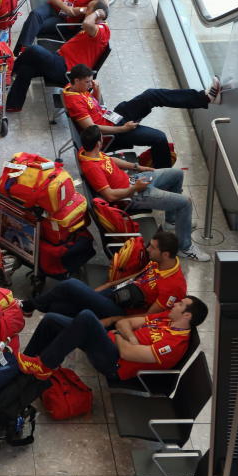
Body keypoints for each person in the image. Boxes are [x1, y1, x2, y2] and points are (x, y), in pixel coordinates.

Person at [77, 125, 210, 262]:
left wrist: (138, 167)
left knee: (177, 174)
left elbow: (110, 160)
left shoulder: (88, 151)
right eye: (101, 137)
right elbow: (109, 195)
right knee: (185, 203)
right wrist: (135, 188)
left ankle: (172, 221)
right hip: (134, 196)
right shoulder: (92, 168)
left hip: (134, 180)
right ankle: (185, 248)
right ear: (99, 143)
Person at [63, 63, 222, 168]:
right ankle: (165, 178)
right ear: (77, 80)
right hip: (112, 133)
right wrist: (124, 129)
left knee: (151, 95)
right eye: (88, 82)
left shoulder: (74, 88)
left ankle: (204, 98)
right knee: (159, 138)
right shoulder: (74, 102)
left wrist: (96, 92)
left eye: (91, 81)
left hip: (113, 117)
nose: (90, 85)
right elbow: (93, 128)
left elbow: (94, 108)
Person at [18, 296, 208, 382]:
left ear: (187, 316)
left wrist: (120, 337)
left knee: (86, 316)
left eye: (181, 305)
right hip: (109, 345)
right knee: (51, 319)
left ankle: (44, 365)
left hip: (115, 364)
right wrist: (130, 337)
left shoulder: (174, 345)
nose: (175, 304)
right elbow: (124, 323)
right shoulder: (166, 317)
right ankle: (26, 363)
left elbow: (126, 353)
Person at [20, 230, 187, 323]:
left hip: (122, 310)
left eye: (153, 248)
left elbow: (148, 316)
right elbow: (135, 277)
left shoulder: (173, 285)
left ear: (165, 254)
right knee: (60, 308)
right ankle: (34, 310)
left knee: (71, 285)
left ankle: (28, 306)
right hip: (116, 293)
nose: (148, 249)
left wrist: (115, 319)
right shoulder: (157, 262)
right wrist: (108, 285)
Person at [5, 0, 110, 112]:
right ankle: (13, 105)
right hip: (59, 60)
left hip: (66, 70)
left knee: (34, 50)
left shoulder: (102, 31)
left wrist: (97, 13)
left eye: (89, 8)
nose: (86, 10)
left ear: (98, 14)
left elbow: (87, 23)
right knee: (27, 68)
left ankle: (9, 70)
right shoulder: (95, 28)